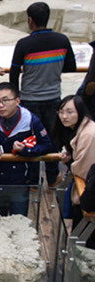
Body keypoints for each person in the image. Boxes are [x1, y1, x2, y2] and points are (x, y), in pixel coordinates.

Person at [10, 2, 76, 187]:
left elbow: (14, 73)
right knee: (52, 139)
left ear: (30, 20)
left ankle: (33, 181)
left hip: (29, 99)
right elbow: (71, 66)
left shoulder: (24, 44)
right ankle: (53, 177)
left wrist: (16, 97)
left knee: (30, 139)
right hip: (53, 98)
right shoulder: (62, 40)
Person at [0, 83, 53, 217]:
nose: (1, 105)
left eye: (6, 100)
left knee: (19, 218)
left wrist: (26, 150)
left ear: (17, 101)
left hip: (20, 179)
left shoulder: (31, 120)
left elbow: (46, 145)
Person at [51, 95, 95, 227]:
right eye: (61, 112)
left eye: (70, 112)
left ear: (80, 112)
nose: (64, 116)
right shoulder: (78, 129)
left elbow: (84, 168)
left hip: (88, 192)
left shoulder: (89, 134)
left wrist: (70, 163)